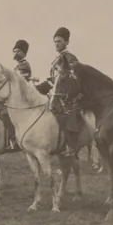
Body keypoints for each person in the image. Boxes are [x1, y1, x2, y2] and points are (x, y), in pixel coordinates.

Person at [46, 27, 82, 158]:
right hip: (55, 92)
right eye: (55, 41)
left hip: (68, 96)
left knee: (68, 114)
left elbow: (75, 78)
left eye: (59, 41)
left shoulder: (70, 58)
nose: (57, 44)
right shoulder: (56, 59)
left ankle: (71, 147)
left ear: (66, 42)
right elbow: (53, 79)